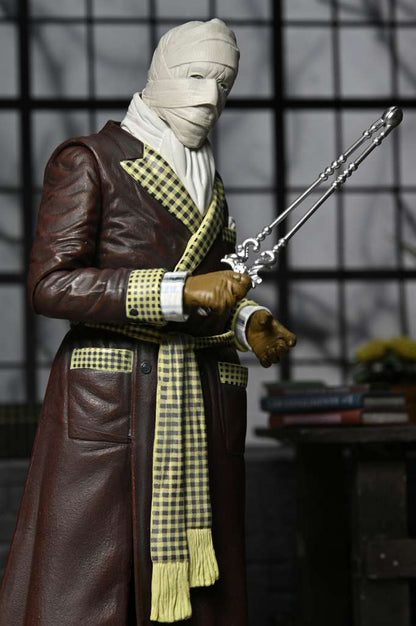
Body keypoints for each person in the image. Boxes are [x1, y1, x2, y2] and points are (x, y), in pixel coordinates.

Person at [0, 19, 296, 625]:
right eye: (196, 76)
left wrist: (246, 320)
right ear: (160, 73)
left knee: (204, 601)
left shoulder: (207, 178)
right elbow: (50, 284)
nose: (210, 97)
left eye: (224, 83)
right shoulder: (90, 161)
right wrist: (177, 291)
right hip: (113, 403)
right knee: (90, 590)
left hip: (198, 404)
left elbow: (210, 287)